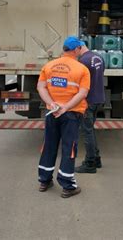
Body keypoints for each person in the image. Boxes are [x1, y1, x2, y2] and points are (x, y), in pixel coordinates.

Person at [37, 36, 90, 198]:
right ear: (76, 50)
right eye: (80, 48)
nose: (80, 51)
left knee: (49, 145)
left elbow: (41, 87)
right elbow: (83, 93)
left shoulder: (49, 66)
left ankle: (44, 180)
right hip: (71, 114)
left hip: (52, 113)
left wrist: (52, 105)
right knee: (69, 148)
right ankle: (68, 185)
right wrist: (66, 107)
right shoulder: (82, 69)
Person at [75, 44, 105, 174]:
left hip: (88, 101)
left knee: (87, 132)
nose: (75, 54)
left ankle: (90, 163)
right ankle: (96, 159)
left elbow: (79, 82)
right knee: (90, 130)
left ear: (79, 48)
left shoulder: (83, 61)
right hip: (99, 99)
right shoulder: (99, 57)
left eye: (75, 51)